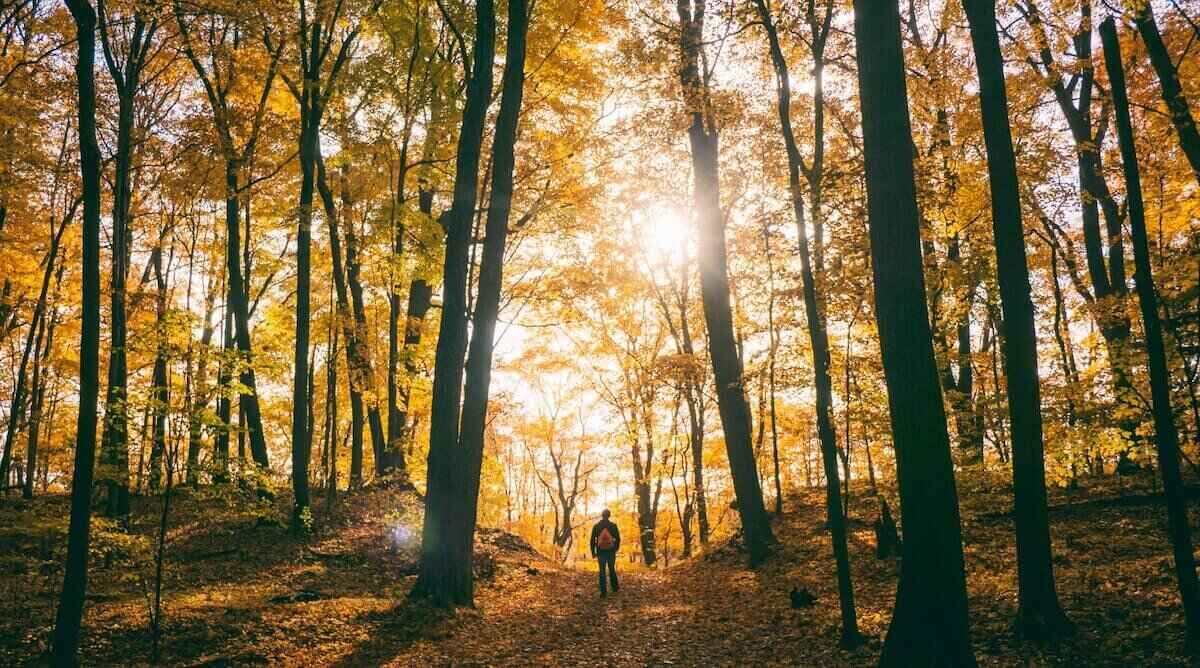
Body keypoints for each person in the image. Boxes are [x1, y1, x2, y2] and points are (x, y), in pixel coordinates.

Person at [590, 509, 621, 596]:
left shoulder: (596, 526)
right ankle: (615, 588)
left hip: (600, 551)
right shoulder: (613, 526)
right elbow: (618, 538)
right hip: (611, 551)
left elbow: (592, 540)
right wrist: (616, 548)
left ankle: (603, 592)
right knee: (611, 569)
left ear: (602, 515)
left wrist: (593, 552)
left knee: (602, 571)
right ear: (609, 515)